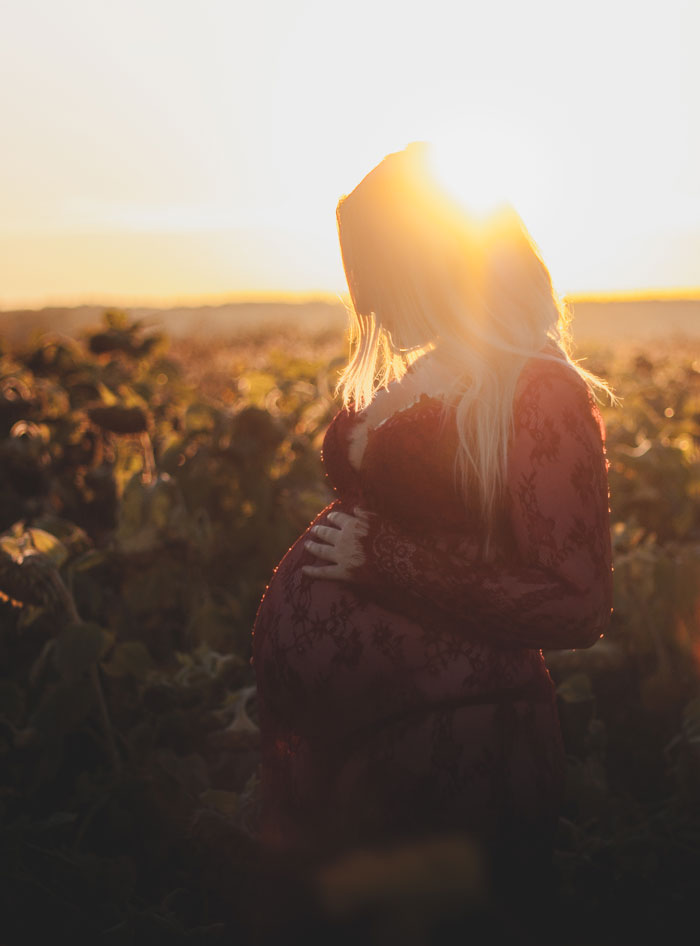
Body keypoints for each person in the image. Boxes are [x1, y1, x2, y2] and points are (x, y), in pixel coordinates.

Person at [250, 142, 613, 895]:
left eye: (378, 275)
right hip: (352, 748)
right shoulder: (427, 368)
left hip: (456, 743)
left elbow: (576, 601)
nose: (372, 304)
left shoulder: (537, 388)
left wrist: (387, 562)